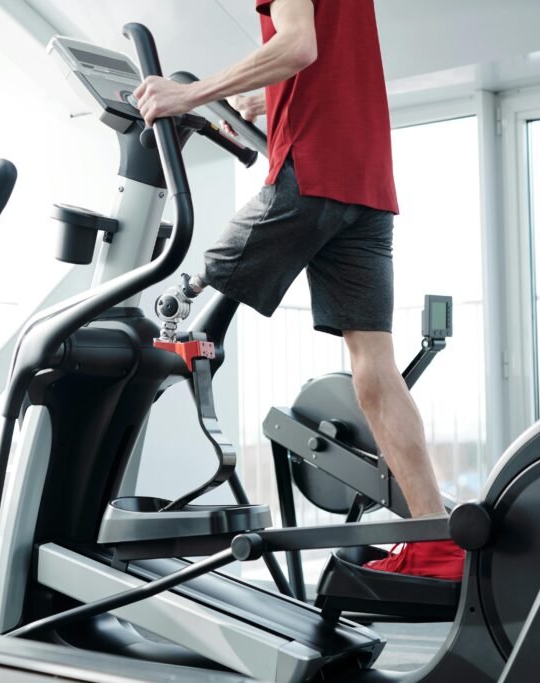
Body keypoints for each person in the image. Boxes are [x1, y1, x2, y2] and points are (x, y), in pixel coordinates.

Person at [134, 0, 463, 580]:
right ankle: (435, 542)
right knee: (375, 371)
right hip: (366, 186)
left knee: (190, 290)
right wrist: (272, 96)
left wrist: (188, 96)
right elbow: (322, 60)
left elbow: (297, 46)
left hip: (311, 173)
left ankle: (165, 323)